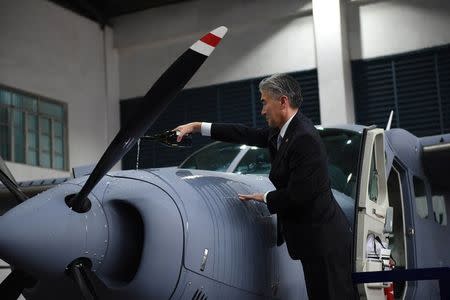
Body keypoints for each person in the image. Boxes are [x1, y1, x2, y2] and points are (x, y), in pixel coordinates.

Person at [175, 73, 356, 299]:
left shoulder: (304, 137)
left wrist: (266, 198)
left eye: (264, 102)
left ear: (282, 101)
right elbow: (244, 133)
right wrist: (198, 127)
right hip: (313, 241)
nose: (261, 110)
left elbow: (303, 193)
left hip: (325, 242)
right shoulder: (283, 132)